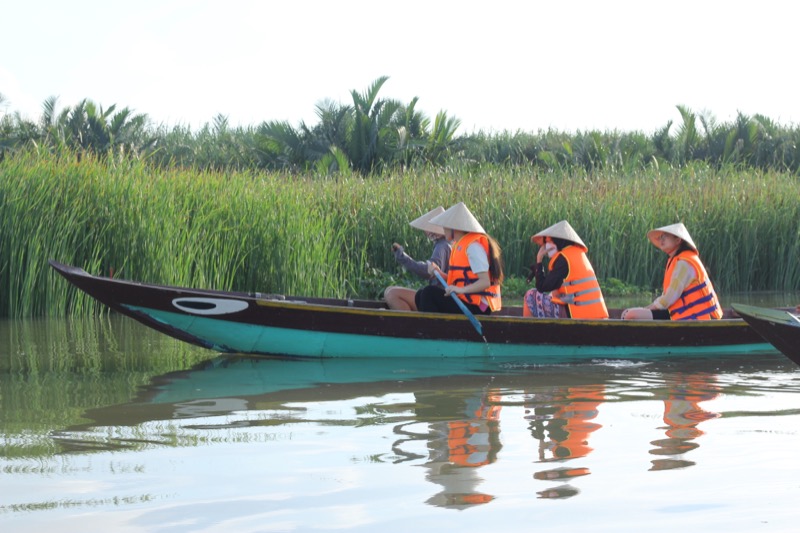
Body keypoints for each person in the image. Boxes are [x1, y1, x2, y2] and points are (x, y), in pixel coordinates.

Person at [416, 202, 503, 315]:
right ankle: (435, 329)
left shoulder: (473, 247)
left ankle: (434, 331)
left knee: (428, 293)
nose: (443, 229)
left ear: (454, 228)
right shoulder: (459, 246)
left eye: (445, 226)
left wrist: (460, 290)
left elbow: (485, 282)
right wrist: (440, 274)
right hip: (464, 301)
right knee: (420, 294)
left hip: (476, 308)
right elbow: (460, 280)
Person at [622, 222, 722, 320]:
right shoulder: (676, 260)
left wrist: (645, 309)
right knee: (628, 313)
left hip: (695, 316)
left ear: (678, 240)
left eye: (665, 237)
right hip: (681, 313)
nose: (661, 240)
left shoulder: (684, 263)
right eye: (660, 237)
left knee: (631, 315)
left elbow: (668, 299)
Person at [523, 220, 609, 319]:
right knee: (552, 295)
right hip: (593, 313)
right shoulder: (577, 254)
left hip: (577, 314)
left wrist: (539, 259)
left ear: (558, 241)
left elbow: (542, 286)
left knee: (531, 295)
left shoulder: (563, 259)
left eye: (549, 241)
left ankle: (526, 331)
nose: (546, 246)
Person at [384, 207, 451, 311]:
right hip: (439, 297)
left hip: (438, 298)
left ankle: (411, 326)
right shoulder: (447, 244)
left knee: (392, 294)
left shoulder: (442, 246)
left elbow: (429, 272)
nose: (425, 231)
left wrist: (403, 258)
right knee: (389, 290)